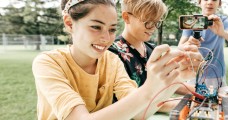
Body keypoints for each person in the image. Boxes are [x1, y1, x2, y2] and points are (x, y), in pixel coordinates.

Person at [32, 0, 202, 119]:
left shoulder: (112, 60)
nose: (106, 38)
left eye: (112, 29)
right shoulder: (48, 63)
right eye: (96, 27)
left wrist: (171, 78)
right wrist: (150, 88)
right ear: (69, 23)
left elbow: (139, 113)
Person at [108, 0, 197, 97]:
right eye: (148, 22)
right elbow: (130, 100)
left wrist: (204, 93)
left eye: (156, 22)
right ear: (126, 17)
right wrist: (184, 103)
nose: (153, 27)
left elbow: (168, 83)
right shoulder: (112, 53)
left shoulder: (152, 50)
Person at [178, 0, 228, 88]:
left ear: (219, 4)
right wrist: (189, 43)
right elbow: (180, 47)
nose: (209, 2)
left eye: (214, 0)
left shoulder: (222, 21)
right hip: (194, 73)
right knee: (194, 100)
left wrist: (222, 32)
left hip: (217, 73)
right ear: (199, 3)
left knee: (217, 101)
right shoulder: (192, 20)